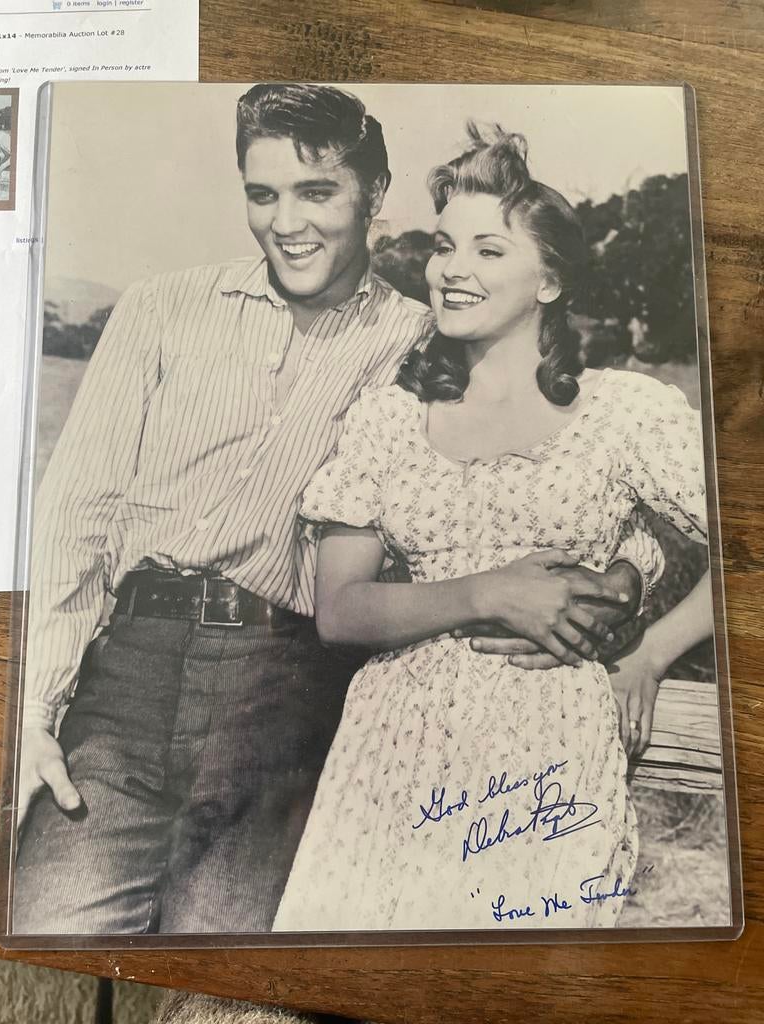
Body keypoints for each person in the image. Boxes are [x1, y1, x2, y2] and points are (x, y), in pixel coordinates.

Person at [13, 86, 652, 935]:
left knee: (228, 980)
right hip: (124, 673)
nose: (288, 222)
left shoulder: (428, 342)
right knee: (47, 928)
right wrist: (28, 711)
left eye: (317, 192)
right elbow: (73, 520)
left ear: (375, 195)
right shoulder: (160, 308)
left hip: (285, 686)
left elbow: (560, 464)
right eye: (262, 193)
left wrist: (627, 579)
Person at [273, 126, 712, 932]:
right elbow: (340, 611)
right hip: (390, 754)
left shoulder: (622, 416)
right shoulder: (389, 421)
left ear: (549, 280)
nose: (452, 270)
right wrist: (490, 594)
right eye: (445, 247)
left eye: (487, 251)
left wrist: (650, 648)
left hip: (549, 757)